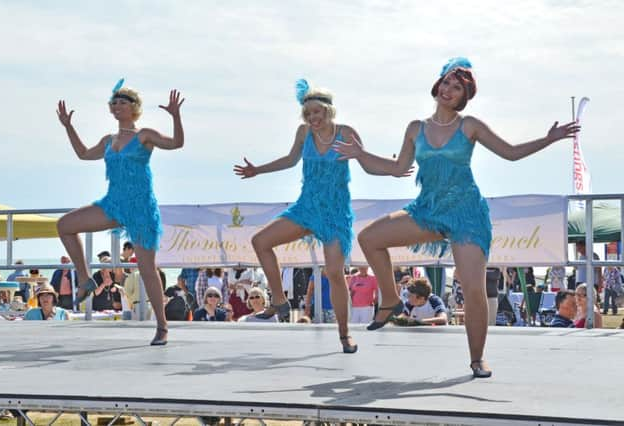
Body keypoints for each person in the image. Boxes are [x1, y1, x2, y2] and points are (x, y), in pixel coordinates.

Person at [333, 57, 579, 377]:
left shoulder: (469, 125)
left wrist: (550, 138)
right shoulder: (415, 128)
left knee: (473, 288)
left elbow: (511, 152)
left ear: (465, 96)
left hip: (466, 214)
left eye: (457, 87)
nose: (449, 89)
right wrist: (360, 154)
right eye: (447, 82)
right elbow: (396, 169)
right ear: (437, 85)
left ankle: (477, 359)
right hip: (427, 210)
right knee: (369, 237)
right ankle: (391, 298)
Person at [234, 79, 365, 353]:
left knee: (333, 272)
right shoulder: (304, 133)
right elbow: (290, 160)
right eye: (308, 114)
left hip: (335, 212)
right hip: (306, 208)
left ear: (328, 111)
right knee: (261, 241)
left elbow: (366, 160)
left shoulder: (346, 132)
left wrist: (391, 166)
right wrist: (258, 170)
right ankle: (280, 300)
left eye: (317, 112)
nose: (312, 118)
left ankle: (344, 334)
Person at [56, 82, 184, 345]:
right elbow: (83, 154)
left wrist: (175, 116)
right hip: (112, 204)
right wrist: (69, 127)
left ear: (133, 108)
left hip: (140, 208)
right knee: (65, 224)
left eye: (122, 102)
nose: (117, 106)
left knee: (147, 269)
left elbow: (176, 144)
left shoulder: (144, 135)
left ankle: (162, 326)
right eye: (113, 102)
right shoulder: (107, 140)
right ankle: (84, 278)